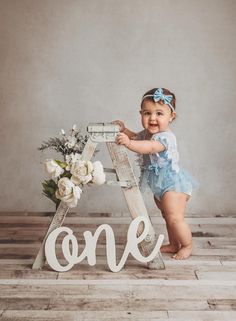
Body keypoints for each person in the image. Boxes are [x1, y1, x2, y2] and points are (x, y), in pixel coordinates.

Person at [113, 87, 197, 260]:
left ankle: (187, 245)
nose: (152, 118)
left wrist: (128, 144)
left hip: (173, 185)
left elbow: (149, 147)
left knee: (175, 217)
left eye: (159, 113)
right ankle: (174, 244)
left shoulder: (165, 137)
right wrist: (125, 130)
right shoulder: (148, 133)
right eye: (147, 113)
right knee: (167, 216)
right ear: (141, 114)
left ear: (171, 117)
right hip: (159, 185)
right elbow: (138, 137)